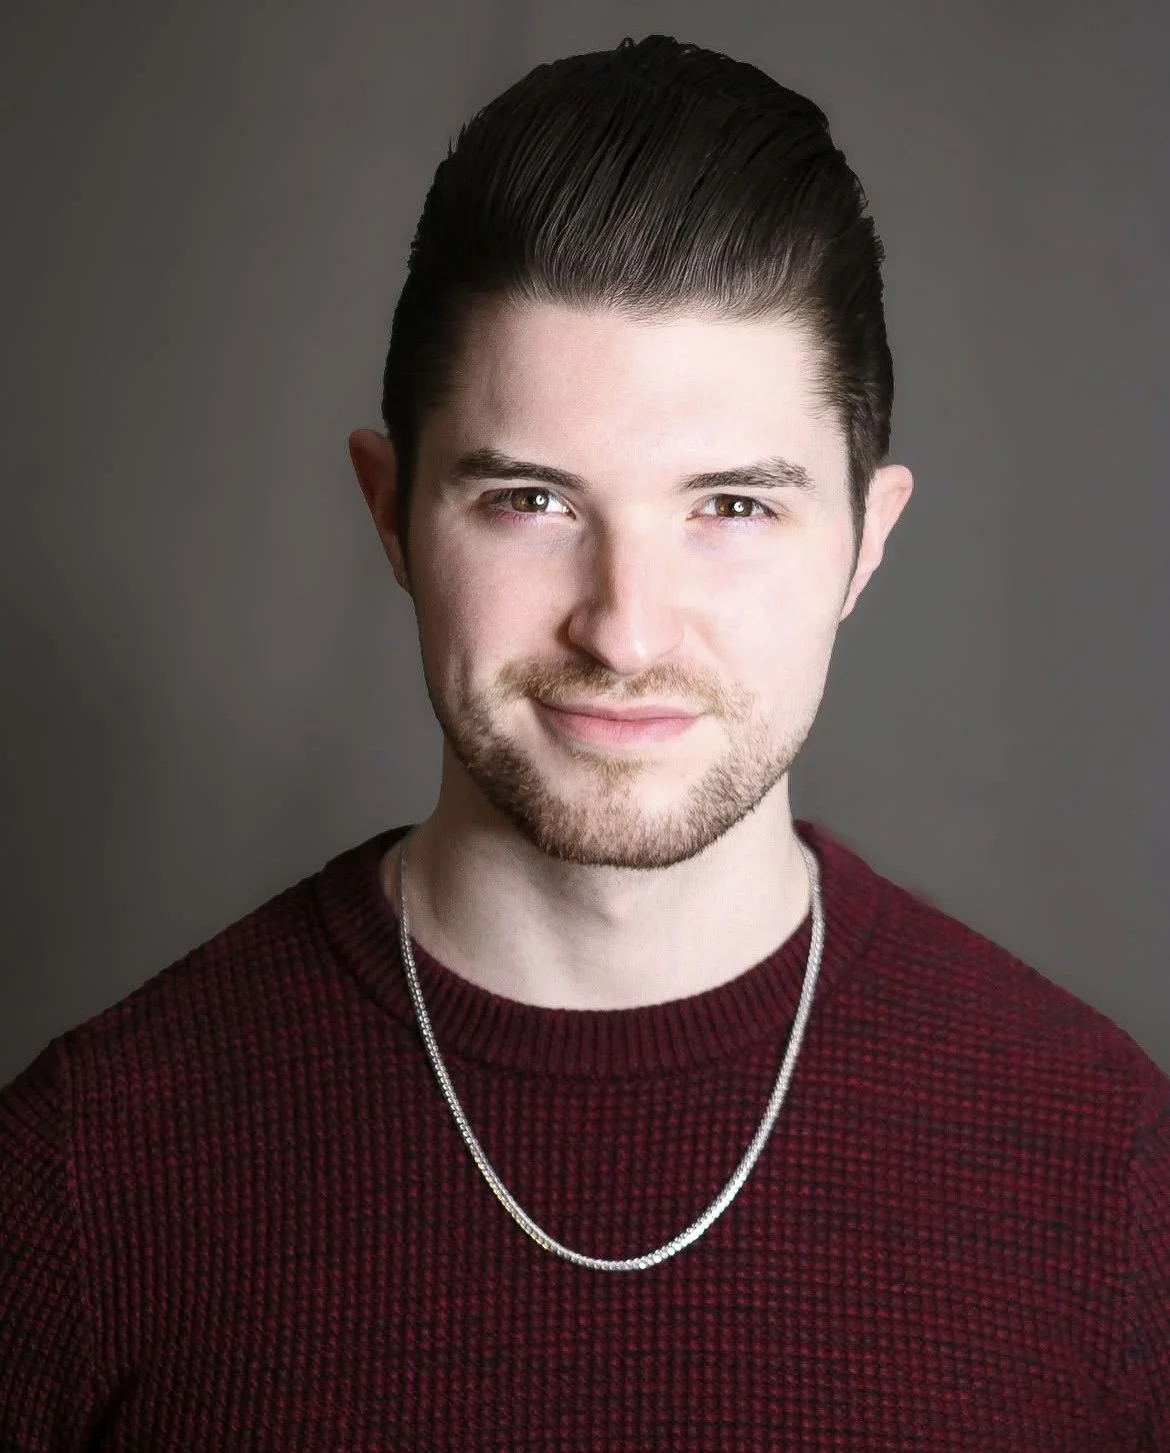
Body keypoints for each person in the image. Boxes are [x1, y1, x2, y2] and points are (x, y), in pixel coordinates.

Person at [1, 32, 1166, 1450]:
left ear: (865, 542)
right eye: (532, 503)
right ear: (390, 514)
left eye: (732, 506)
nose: (622, 629)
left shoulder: (1110, 1177)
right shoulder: (80, 1180)